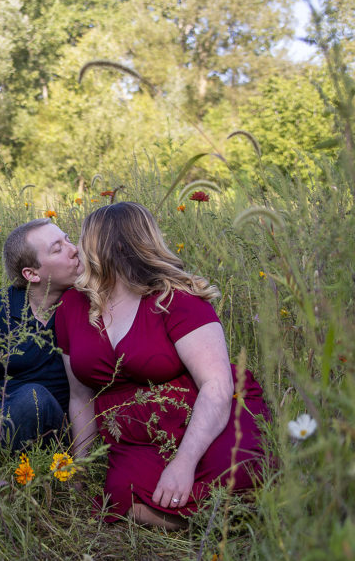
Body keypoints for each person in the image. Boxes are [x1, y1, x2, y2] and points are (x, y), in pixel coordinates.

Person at [55, 202, 271, 529]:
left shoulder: (177, 299)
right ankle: (213, 519)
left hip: (203, 415)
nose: (79, 250)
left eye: (86, 240)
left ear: (113, 247)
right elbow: (79, 396)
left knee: (236, 477)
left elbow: (217, 386)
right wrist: (79, 471)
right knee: (123, 494)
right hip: (134, 434)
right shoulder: (72, 305)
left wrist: (183, 463)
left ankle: (230, 515)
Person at [0, 218, 82, 451]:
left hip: (62, 436)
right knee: (32, 398)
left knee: (38, 399)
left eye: (68, 239)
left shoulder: (84, 302)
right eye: (58, 248)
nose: (74, 249)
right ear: (32, 274)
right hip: (6, 428)